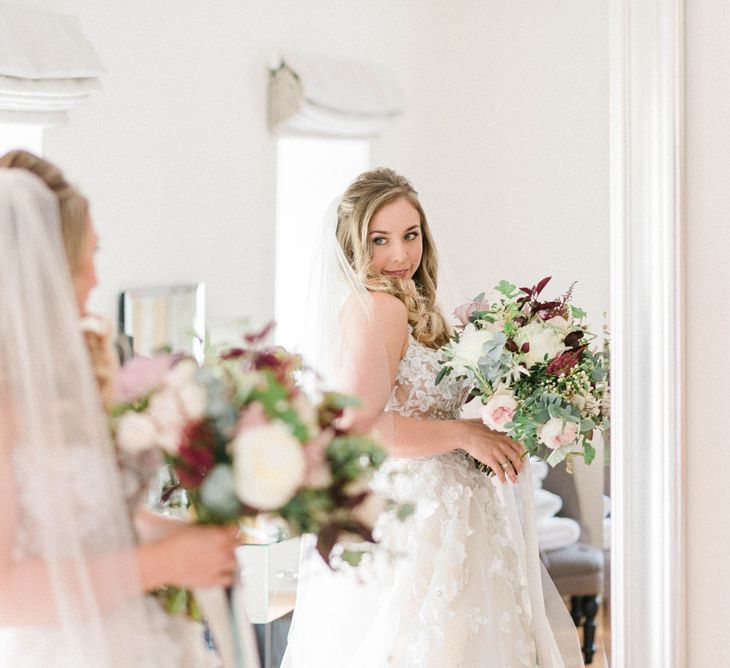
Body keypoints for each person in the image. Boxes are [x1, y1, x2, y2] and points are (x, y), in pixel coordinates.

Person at [283, 168, 583, 667]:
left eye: (410, 235)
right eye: (380, 240)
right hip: (420, 515)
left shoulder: (403, 306)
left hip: (449, 505)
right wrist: (464, 433)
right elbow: (362, 428)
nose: (399, 254)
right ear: (355, 245)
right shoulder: (379, 308)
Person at [0, 163, 237, 667]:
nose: (96, 278)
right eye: (86, 258)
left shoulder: (73, 373)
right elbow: (6, 593)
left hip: (139, 637)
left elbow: (95, 524)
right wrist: (160, 563)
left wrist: (180, 537)